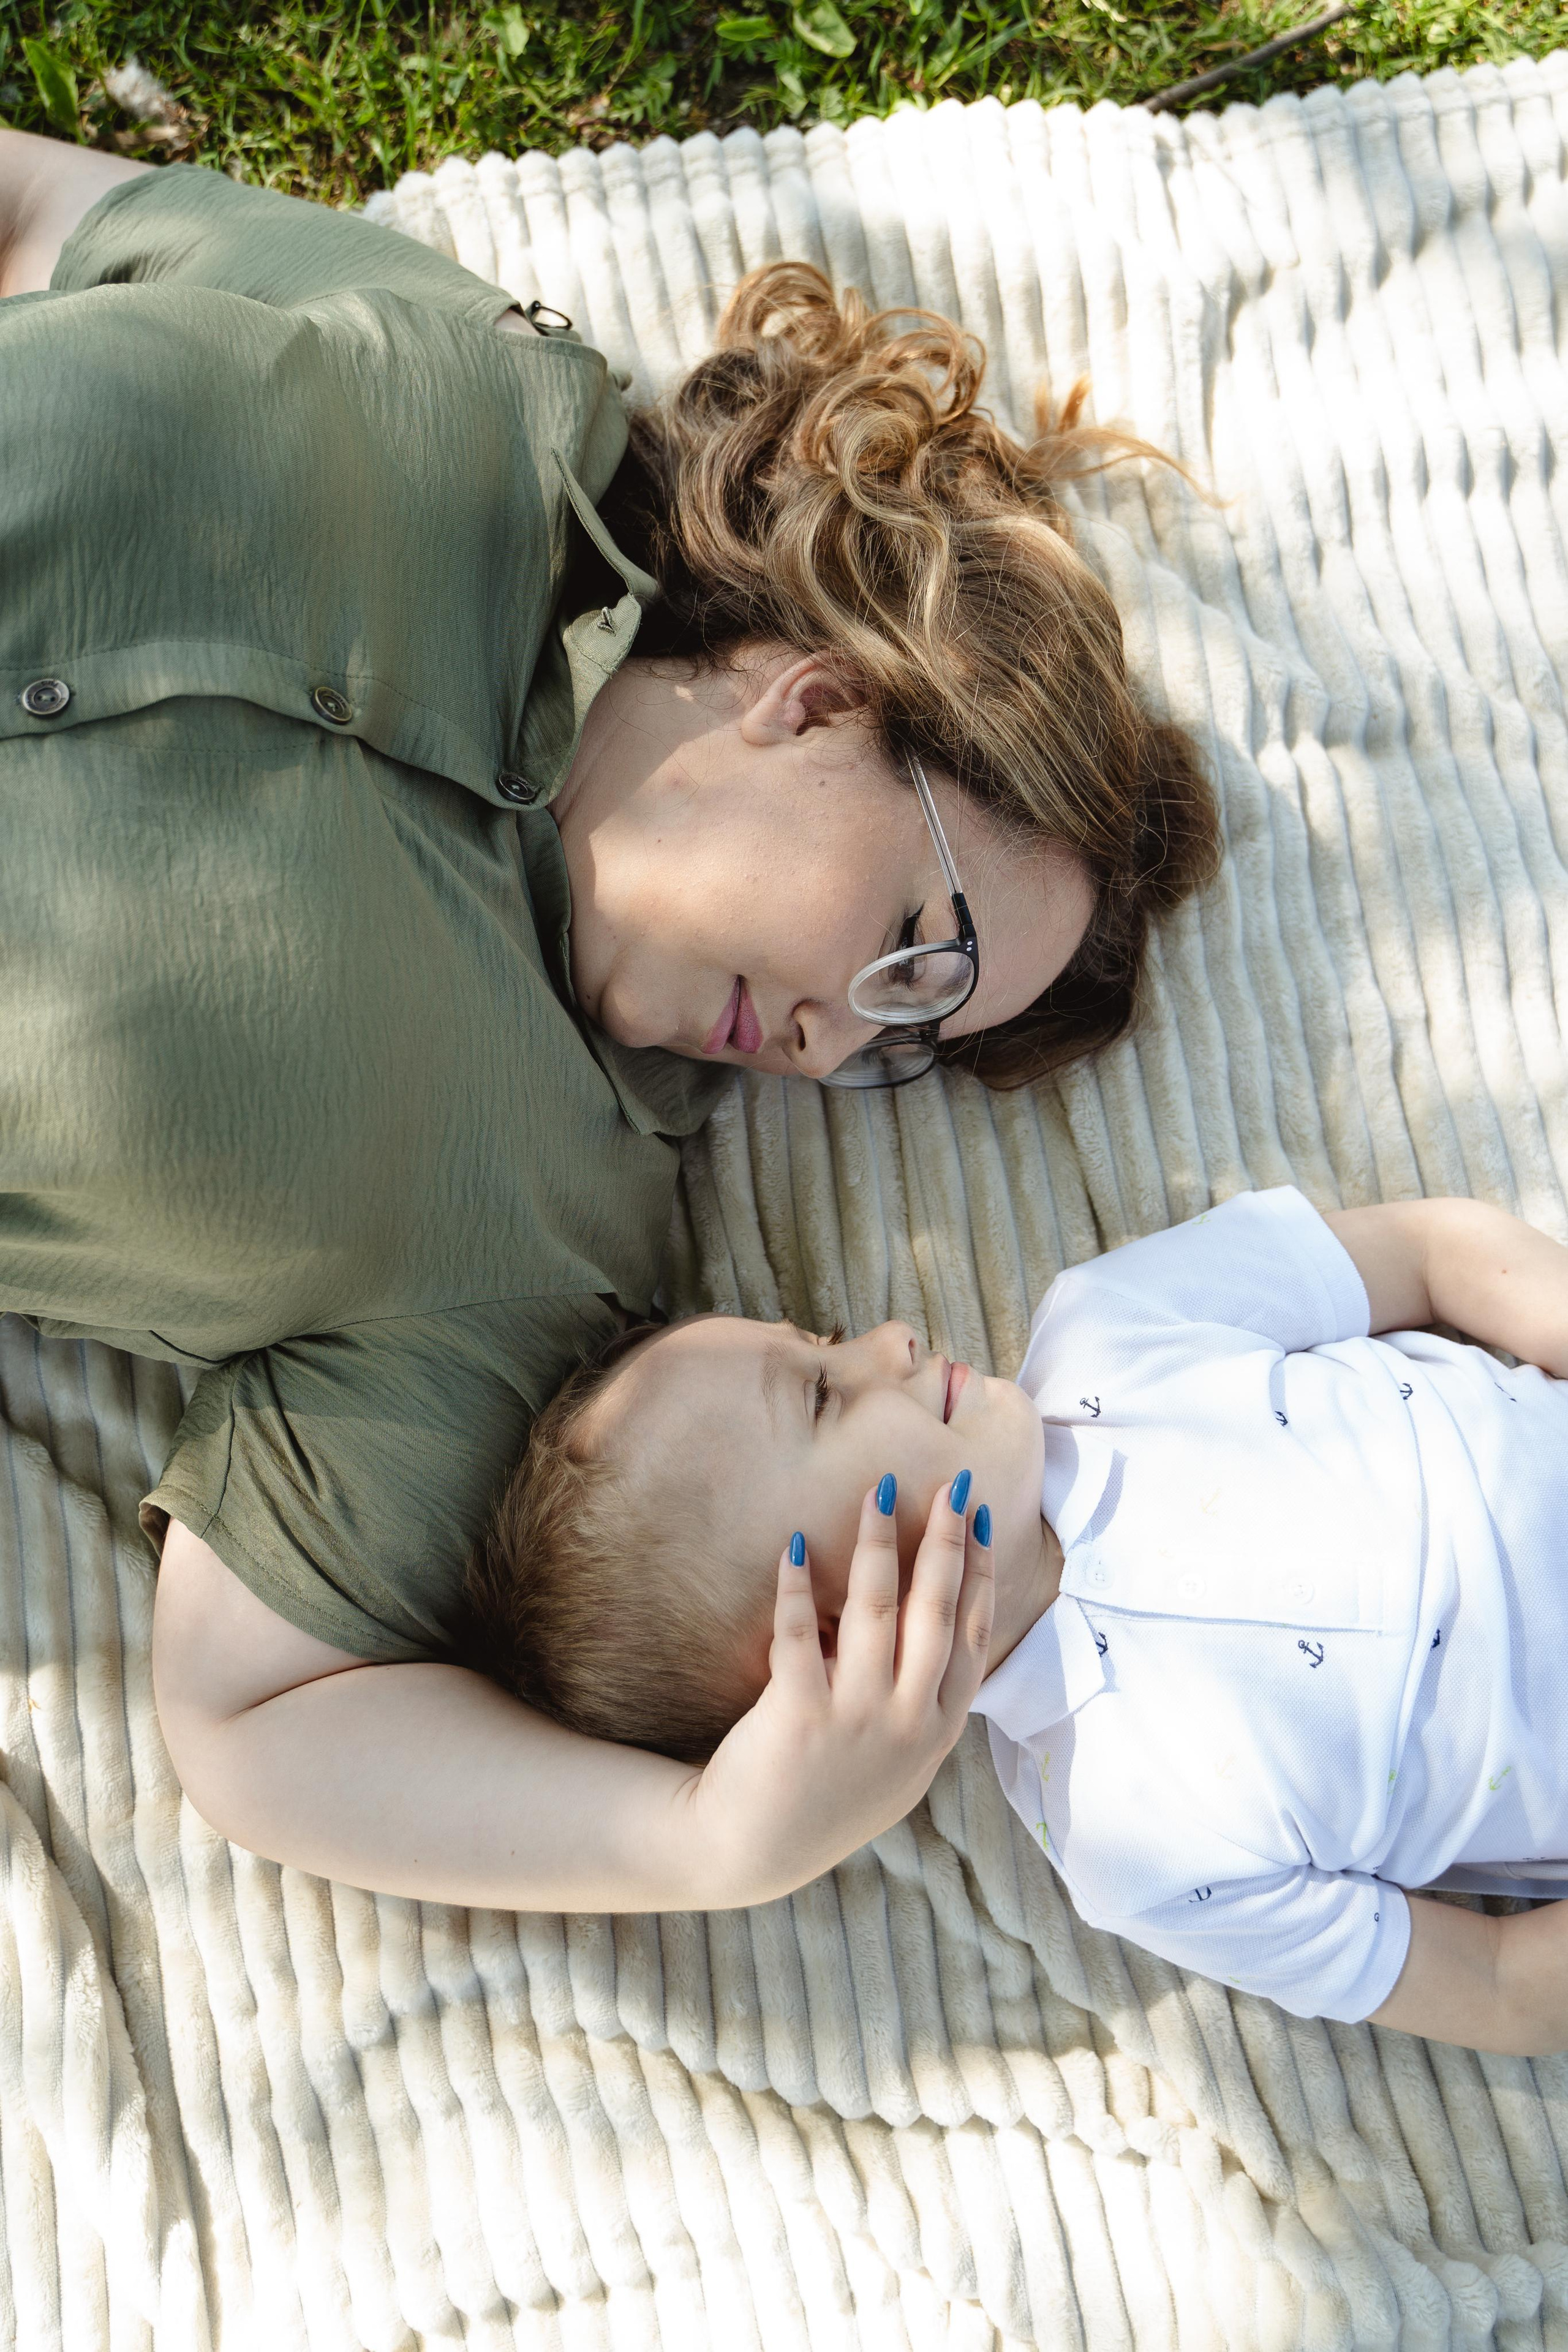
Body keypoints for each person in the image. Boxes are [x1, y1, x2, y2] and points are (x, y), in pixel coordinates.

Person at [0, 130, 1221, 1910]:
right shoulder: (477, 386)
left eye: (908, 1044)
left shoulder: (538, 1260)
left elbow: (260, 1721)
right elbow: (38, 212)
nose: (835, 1049)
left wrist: (717, 1843)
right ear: (823, 701)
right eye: (913, 952)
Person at [478, 1185, 1568, 2052]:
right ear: (827, 1642)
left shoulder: (1117, 1326)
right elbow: (1499, 1988)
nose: (892, 1341)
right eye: (821, 1394)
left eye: (826, 1336)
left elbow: (1434, 1252)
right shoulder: (1130, 1839)